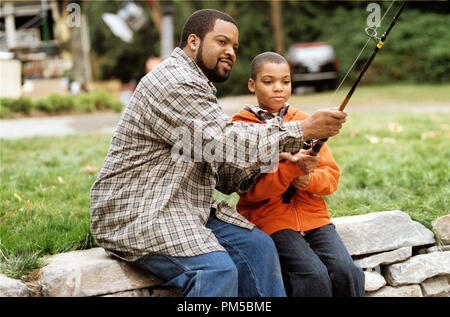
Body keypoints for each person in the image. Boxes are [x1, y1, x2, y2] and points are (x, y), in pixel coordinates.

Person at [90, 9, 347, 297]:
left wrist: (283, 162)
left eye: (235, 47)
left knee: (259, 248)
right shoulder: (175, 82)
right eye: (222, 42)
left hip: (185, 205)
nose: (230, 52)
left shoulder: (199, 86)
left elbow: (223, 169)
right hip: (139, 211)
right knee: (216, 270)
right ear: (193, 41)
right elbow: (224, 142)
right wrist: (301, 131)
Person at [232, 52, 364, 297]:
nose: (278, 89)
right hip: (270, 220)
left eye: (285, 81)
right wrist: (291, 171)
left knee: (348, 272)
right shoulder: (242, 129)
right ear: (252, 84)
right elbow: (250, 193)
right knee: (311, 274)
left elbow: (331, 177)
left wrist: (308, 180)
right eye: (268, 82)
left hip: (315, 218)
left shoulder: (306, 121)